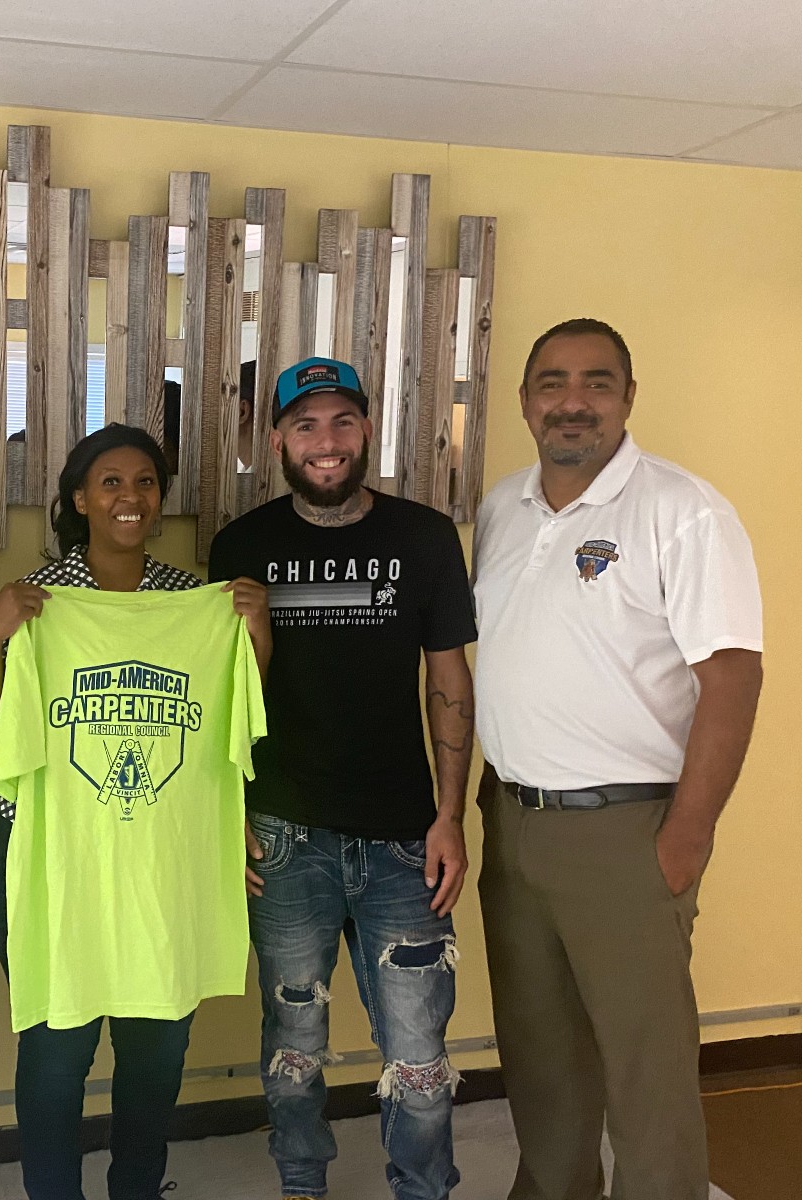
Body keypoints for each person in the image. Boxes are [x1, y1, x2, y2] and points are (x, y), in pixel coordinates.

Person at [471, 318, 763, 1200]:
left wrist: (689, 835)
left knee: (646, 1070)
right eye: (553, 383)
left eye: (598, 382)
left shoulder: (683, 510)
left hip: (627, 832)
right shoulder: (502, 508)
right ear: (525, 402)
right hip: (514, 825)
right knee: (542, 1057)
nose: (573, 401)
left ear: (628, 398)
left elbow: (734, 675)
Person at [0, 422, 271, 1200]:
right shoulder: (37, 604)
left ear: (159, 500)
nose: (129, 496)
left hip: (159, 851)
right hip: (47, 850)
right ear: (78, 499)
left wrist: (254, 635)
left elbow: (231, 721)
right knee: (57, 1043)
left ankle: (138, 1188)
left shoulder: (194, 604)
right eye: (110, 482)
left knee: (158, 1040)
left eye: (144, 482)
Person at [208, 357, 476, 1200]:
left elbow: (449, 682)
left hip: (404, 836)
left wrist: (451, 816)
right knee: (292, 1047)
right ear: (278, 439)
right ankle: (301, 1185)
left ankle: (423, 1190)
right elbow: (218, 697)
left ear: (366, 431)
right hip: (285, 834)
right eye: (306, 425)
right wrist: (229, 813)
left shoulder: (425, 538)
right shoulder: (241, 546)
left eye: (342, 423)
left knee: (421, 1057)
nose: (326, 443)